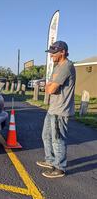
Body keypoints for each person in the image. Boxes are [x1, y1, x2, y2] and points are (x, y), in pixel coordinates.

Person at [36, 41, 76, 178]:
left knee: (58, 139)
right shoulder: (58, 66)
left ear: (63, 52)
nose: (51, 55)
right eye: (51, 52)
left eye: (54, 52)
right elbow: (49, 87)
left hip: (60, 110)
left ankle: (60, 168)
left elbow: (51, 89)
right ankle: (50, 160)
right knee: (46, 136)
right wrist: (49, 87)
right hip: (53, 108)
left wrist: (48, 87)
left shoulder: (66, 67)